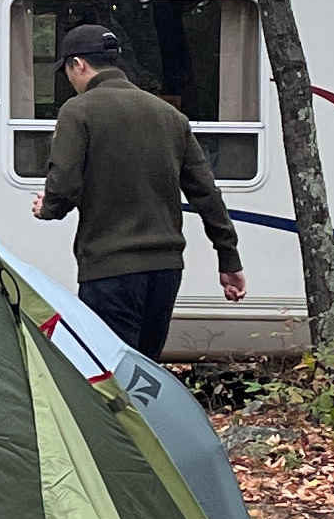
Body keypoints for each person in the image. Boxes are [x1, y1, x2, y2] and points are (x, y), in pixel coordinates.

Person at [31, 20, 249, 363]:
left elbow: (64, 184)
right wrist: (229, 258)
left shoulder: (79, 110)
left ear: (78, 64)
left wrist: (48, 207)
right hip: (165, 270)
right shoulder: (170, 116)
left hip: (109, 268)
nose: (69, 80)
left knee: (110, 372)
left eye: (67, 71)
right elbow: (206, 193)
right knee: (145, 370)